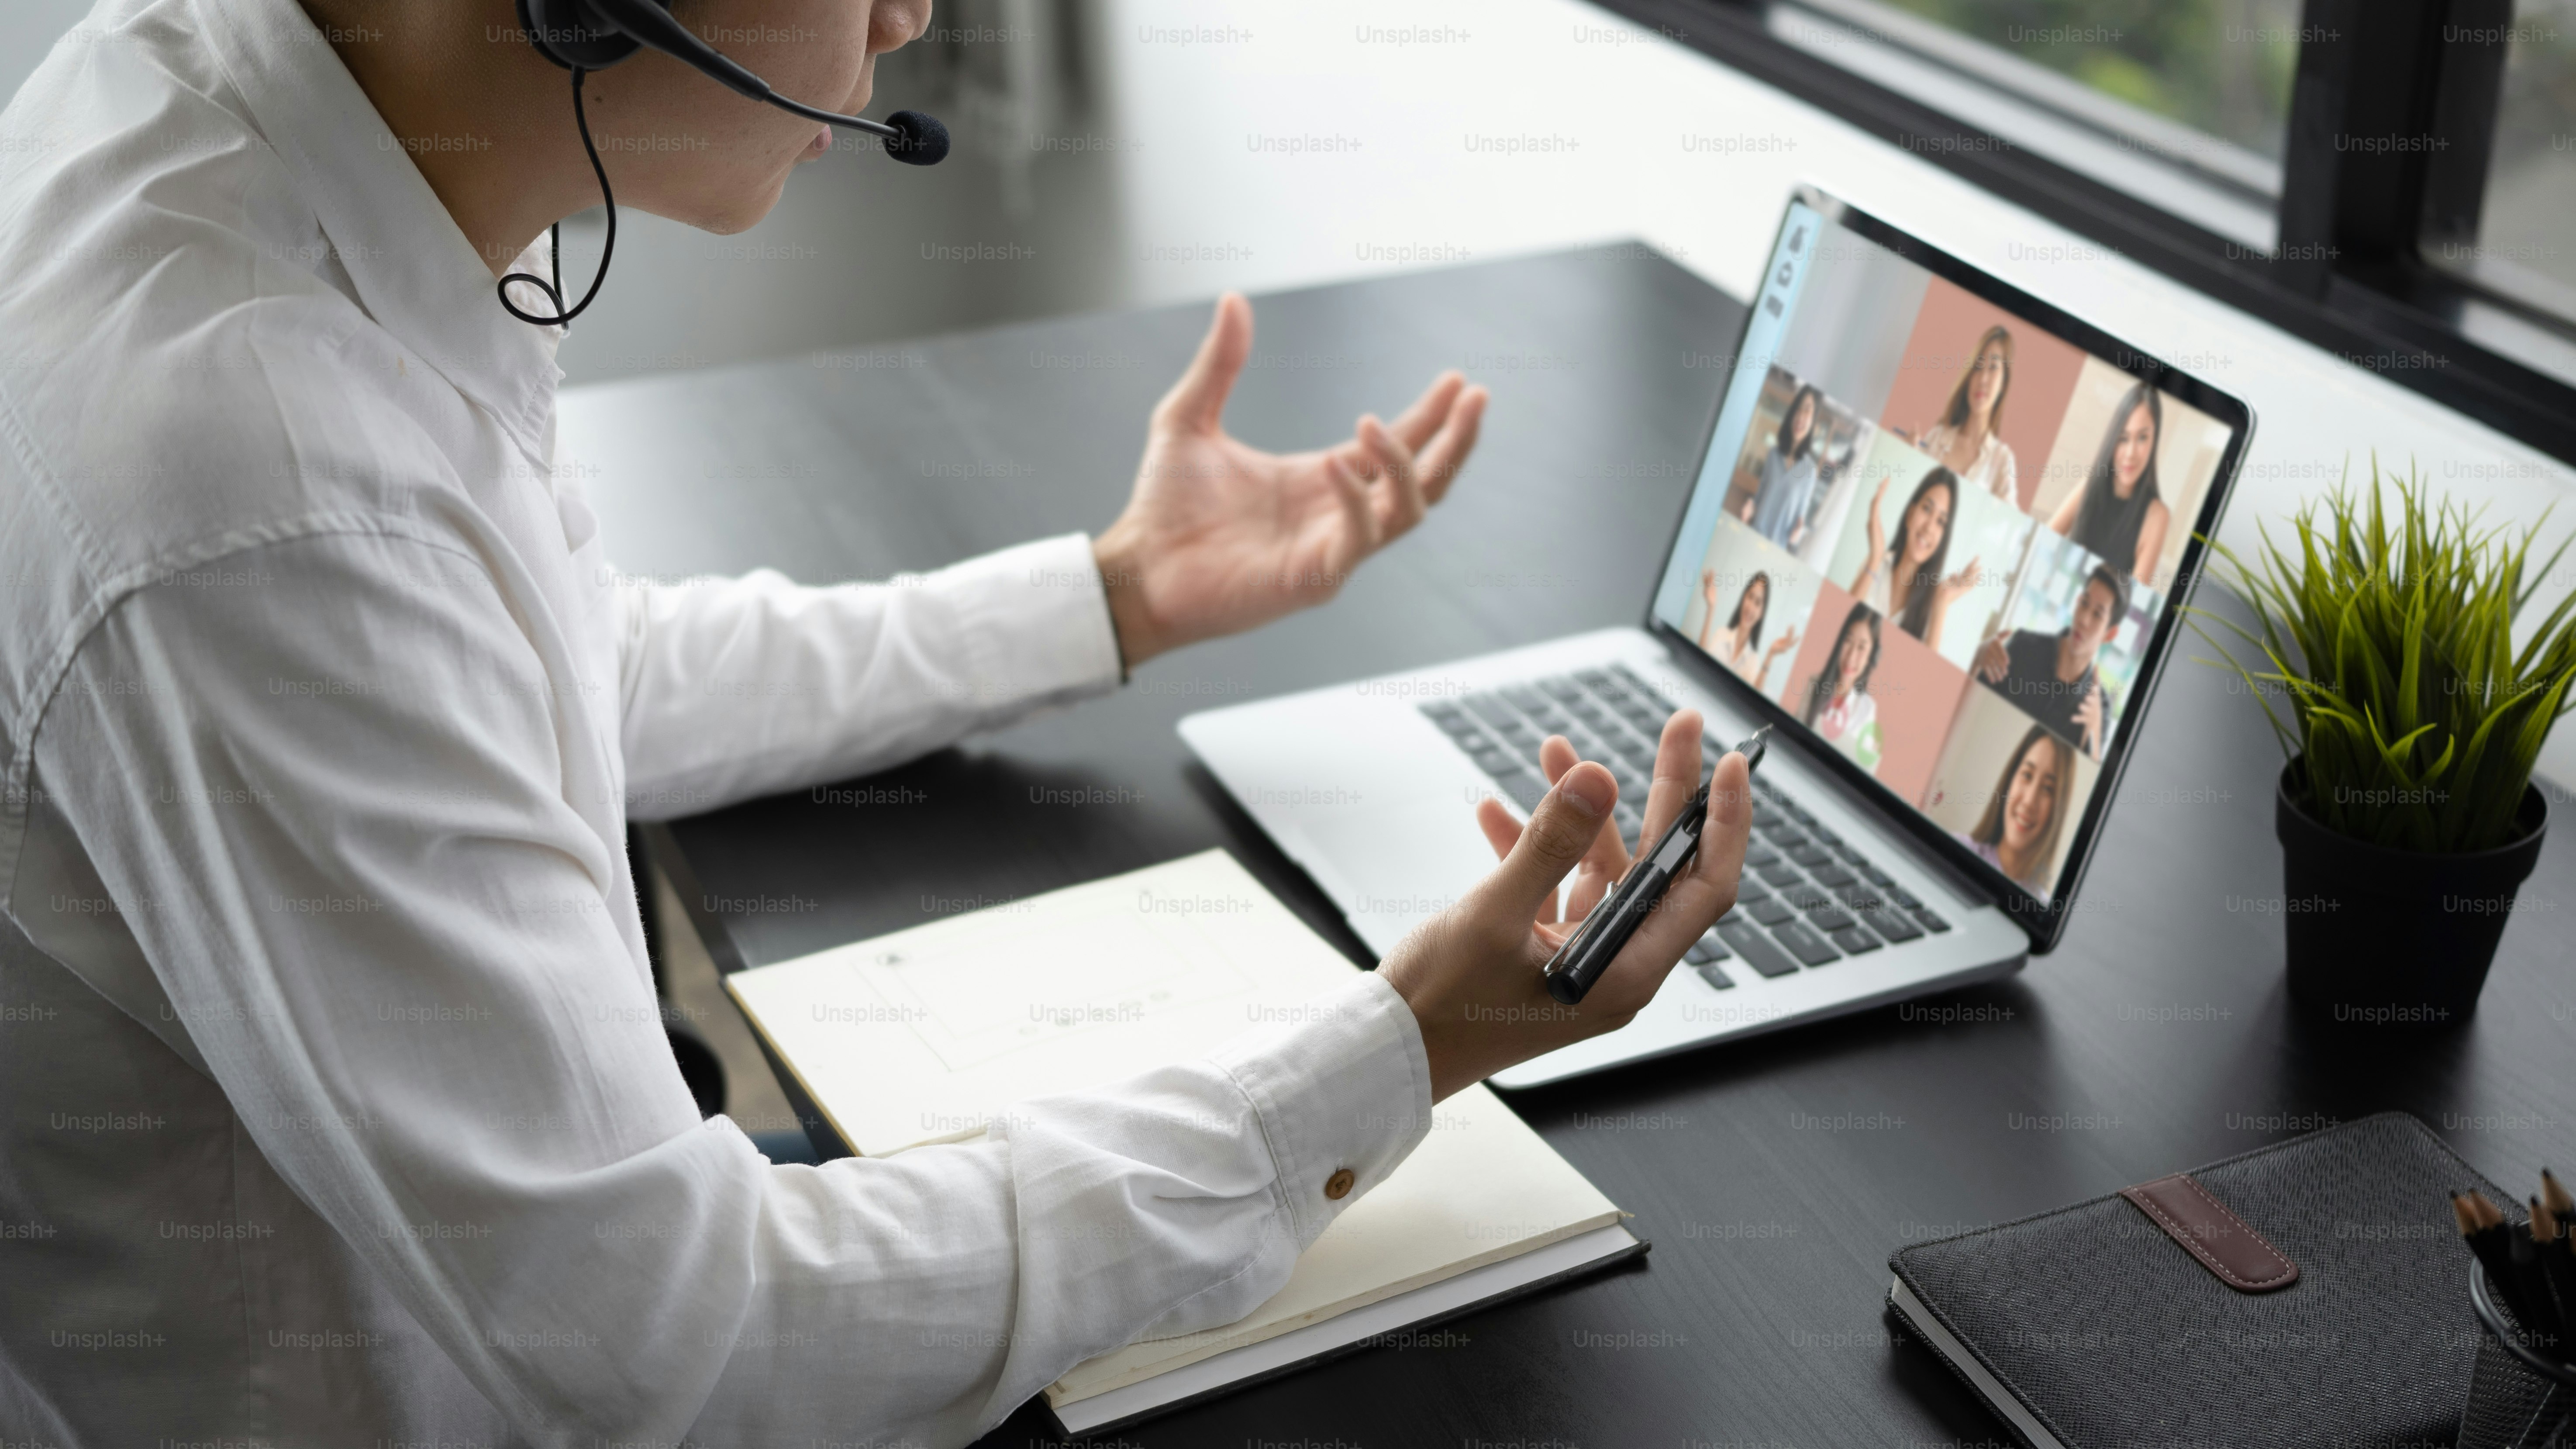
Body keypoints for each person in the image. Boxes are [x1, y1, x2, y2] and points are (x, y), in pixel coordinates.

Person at [0, 5, 1755, 1448]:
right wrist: (1397, 1052)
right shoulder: (257, 463)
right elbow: (675, 1347)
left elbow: (528, 681)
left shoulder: (215, 108)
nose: (914, 14)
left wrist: (1113, 592)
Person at [1972, 561, 2127, 759]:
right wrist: (1977, 658)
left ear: (2110, 634)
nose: (2084, 620)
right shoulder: (2022, 647)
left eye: (2097, 615)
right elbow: (1970, 709)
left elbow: (2085, 784)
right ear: (2077, 600)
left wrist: (2094, 739)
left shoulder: (2100, 707)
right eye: (2084, 603)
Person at [2046, 381, 2168, 583]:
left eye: (2143, 438)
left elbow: (2131, 601)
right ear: (2113, 439)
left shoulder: (2157, 516)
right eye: (2123, 438)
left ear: (2155, 440)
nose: (2130, 454)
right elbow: (2042, 541)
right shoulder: (2090, 485)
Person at [1849, 466, 1979, 646]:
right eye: (1927, 509)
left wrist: (1942, 604)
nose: (1929, 527)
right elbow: (1842, 627)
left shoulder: (1935, 606)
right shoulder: (1875, 566)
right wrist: (1875, 557)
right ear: (1911, 514)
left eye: (1941, 522)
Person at [1956, 724, 2074, 893]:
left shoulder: (2040, 905)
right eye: (2027, 775)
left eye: (2048, 788)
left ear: (2057, 811)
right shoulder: (1957, 849)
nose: (2029, 801)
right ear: (2010, 779)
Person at [1907, 324, 2018, 504]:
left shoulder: (2003, 462)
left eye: (1993, 368)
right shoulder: (1936, 437)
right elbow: (1910, 494)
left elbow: (2006, 525)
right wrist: (1907, 457)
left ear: (2004, 384)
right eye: (1978, 367)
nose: (1983, 379)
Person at [1798, 602, 1884, 773]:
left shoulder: (1867, 709)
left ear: (1870, 656)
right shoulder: (1814, 684)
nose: (1852, 656)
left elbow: (1859, 771)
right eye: (1848, 641)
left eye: (1861, 648)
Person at [1738, 382, 1823, 548]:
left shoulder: (1810, 472)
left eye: (1807, 409)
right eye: (1798, 409)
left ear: (1813, 421)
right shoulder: (1773, 455)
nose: (1800, 415)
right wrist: (1750, 507)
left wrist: (1798, 533)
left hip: (1775, 550)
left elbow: (1799, 524)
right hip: (1752, 538)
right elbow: (1759, 498)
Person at [1698, 567, 1800, 690]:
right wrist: (1711, 609)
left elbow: (1753, 698)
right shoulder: (1721, 634)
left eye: (1757, 603)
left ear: (1761, 613)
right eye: (1751, 597)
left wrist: (1771, 654)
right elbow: (1699, 662)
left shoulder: (1753, 661)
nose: (1751, 607)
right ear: (1744, 597)